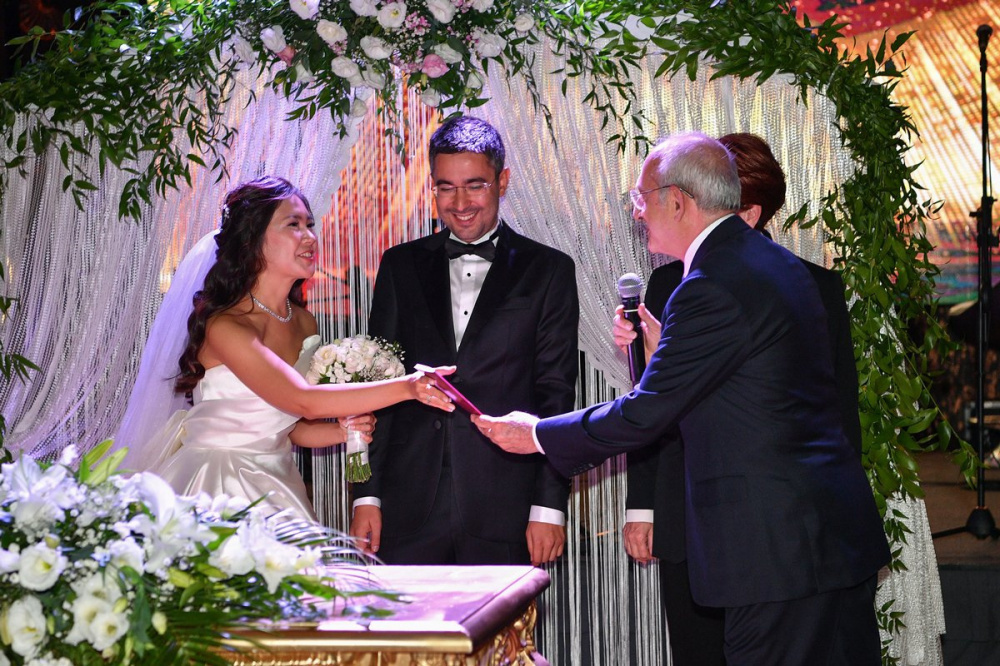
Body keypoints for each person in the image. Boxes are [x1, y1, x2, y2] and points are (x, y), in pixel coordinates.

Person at [473, 132, 890, 664]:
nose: (637, 211)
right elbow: (749, 389)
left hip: (778, 555)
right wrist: (664, 353)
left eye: (641, 197)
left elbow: (645, 414)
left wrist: (535, 434)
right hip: (824, 541)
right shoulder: (769, 262)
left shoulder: (710, 283)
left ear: (678, 201)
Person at [616, 133, 862, 666]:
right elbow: (655, 402)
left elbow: (838, 413)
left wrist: (538, 435)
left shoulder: (808, 283)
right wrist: (643, 505)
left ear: (750, 213)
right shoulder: (671, 281)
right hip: (692, 512)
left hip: (776, 532)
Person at [117, 176, 454, 523]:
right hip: (217, 483)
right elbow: (302, 400)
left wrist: (340, 431)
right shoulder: (226, 325)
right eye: (293, 225)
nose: (309, 236)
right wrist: (409, 387)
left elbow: (288, 426)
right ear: (252, 240)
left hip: (277, 479)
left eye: (310, 224)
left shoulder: (304, 322)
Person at [348, 116, 579, 566]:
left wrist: (548, 506)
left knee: (508, 619)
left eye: (475, 186)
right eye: (446, 187)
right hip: (406, 504)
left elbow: (555, 394)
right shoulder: (399, 266)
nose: (460, 203)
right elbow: (376, 387)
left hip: (507, 506)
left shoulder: (549, 270)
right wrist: (366, 496)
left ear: (502, 181)